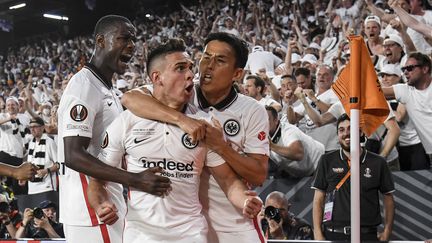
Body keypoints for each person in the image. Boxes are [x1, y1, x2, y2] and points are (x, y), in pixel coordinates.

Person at [88, 38, 262, 243]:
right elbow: (98, 180)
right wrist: (101, 205)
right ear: (157, 77)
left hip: (190, 234)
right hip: (140, 235)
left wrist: (245, 201)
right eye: (180, 68)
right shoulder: (127, 121)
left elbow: (228, 180)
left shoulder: (205, 125)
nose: (191, 74)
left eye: (190, 67)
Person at [57, 15, 171, 243]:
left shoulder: (106, 89)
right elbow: (73, 155)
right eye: (124, 39)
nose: (131, 46)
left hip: (108, 203)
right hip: (91, 210)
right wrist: (135, 179)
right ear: (100, 41)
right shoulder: (83, 86)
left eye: (134, 40)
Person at [312, 114, 395, 241]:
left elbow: (388, 199)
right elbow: (318, 199)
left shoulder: (378, 162)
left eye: (351, 128)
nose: (346, 133)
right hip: (334, 235)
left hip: (367, 236)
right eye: (341, 130)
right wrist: (318, 233)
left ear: (360, 132)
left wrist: (387, 231)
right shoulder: (326, 160)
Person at [382, 52, 432, 161]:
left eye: (409, 68)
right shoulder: (406, 90)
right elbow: (375, 93)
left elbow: (399, 117)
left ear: (425, 69)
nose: (405, 72)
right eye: (403, 69)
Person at [266, 106, 324, 178]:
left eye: (266, 119)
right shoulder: (261, 136)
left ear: (276, 120)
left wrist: (271, 146)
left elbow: (298, 154)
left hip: (321, 164)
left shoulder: (288, 130)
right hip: (302, 174)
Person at [21, 117, 59, 195]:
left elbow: (58, 165)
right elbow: (30, 164)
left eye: (35, 126)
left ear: (42, 128)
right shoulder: (31, 143)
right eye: (30, 127)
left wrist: (46, 171)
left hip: (47, 187)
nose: (32, 129)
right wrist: (24, 176)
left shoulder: (50, 142)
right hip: (32, 188)